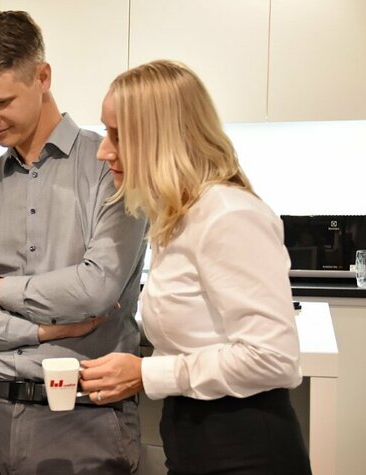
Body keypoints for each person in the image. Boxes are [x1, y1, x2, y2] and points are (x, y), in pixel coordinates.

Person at [0, 11, 148, 475]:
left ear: (42, 77)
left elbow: (95, 290)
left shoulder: (112, 167)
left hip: (85, 417)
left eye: (1, 101)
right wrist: (43, 331)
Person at [79, 60, 312, 474]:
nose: (102, 150)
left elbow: (274, 358)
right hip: (195, 442)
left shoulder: (227, 214)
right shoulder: (176, 217)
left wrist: (147, 373)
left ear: (160, 138)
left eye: (117, 135)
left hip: (245, 450)